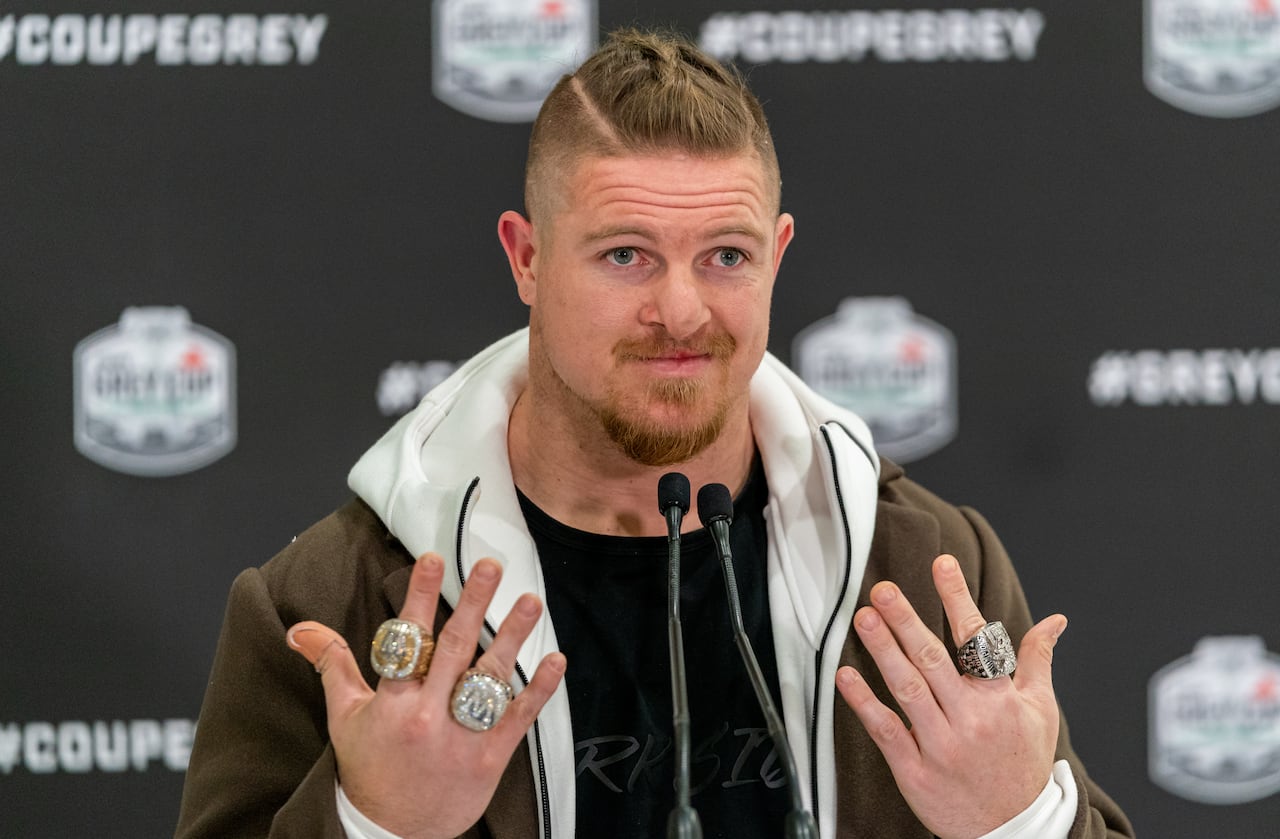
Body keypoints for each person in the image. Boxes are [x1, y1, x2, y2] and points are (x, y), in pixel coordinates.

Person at [175, 28, 1134, 839]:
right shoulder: (327, 605)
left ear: (777, 258)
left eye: (726, 255)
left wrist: (1019, 820)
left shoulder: (928, 568)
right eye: (626, 255)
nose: (681, 311)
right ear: (528, 258)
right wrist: (373, 824)